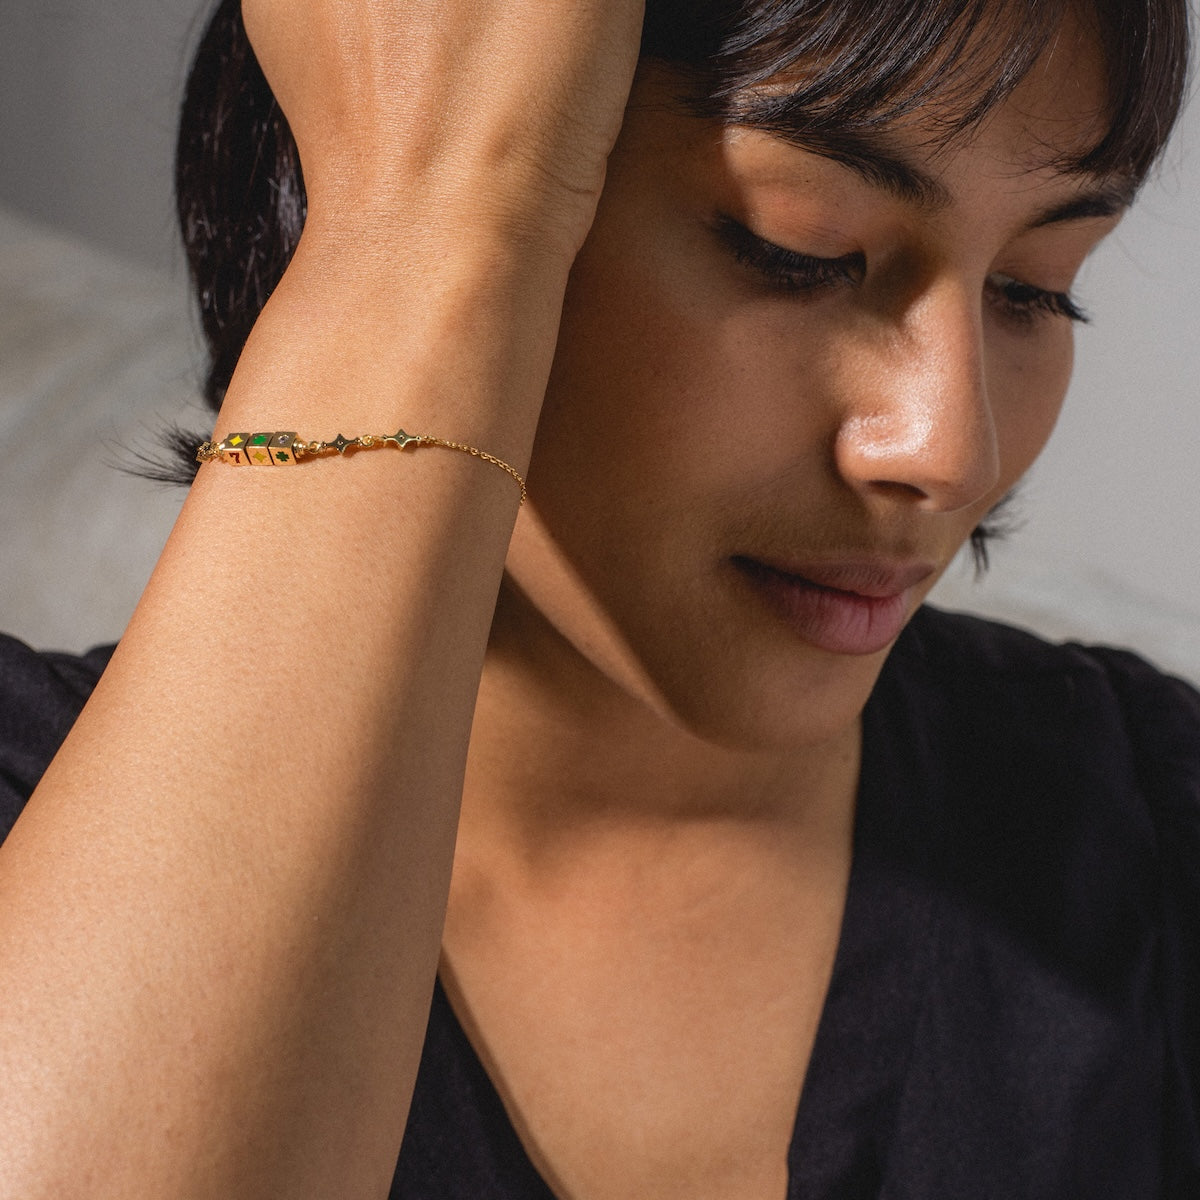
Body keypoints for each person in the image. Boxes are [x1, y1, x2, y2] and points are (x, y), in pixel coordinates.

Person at [0, 0, 1195, 1196]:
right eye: (803, 250)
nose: (950, 448)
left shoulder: (1143, 836)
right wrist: (410, 234)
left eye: (1038, 288)